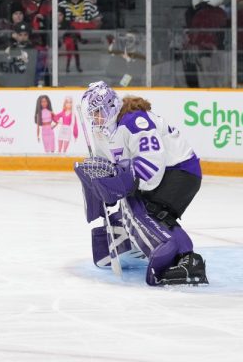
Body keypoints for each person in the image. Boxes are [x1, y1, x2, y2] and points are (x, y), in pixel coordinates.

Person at [74, 81, 208, 286]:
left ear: (110, 106)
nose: (95, 118)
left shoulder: (135, 121)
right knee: (134, 207)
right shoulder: (101, 132)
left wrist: (124, 183)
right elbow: (109, 168)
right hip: (162, 174)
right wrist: (101, 188)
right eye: (92, 114)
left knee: (147, 210)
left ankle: (187, 259)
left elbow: (152, 165)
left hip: (181, 170)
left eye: (98, 112)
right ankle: (137, 247)